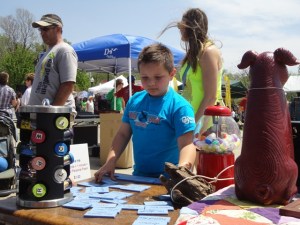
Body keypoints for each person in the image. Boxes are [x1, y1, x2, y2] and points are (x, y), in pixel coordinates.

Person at [94, 43, 196, 182]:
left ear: (172, 74)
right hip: (139, 176)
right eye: (145, 78)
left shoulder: (180, 107)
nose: (151, 83)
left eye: (158, 77)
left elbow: (187, 145)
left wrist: (183, 169)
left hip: (170, 180)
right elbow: (123, 134)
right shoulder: (135, 100)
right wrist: (111, 160)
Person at [162, 8, 223, 123]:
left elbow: (211, 97)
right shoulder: (193, 53)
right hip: (190, 116)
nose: (179, 29)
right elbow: (188, 90)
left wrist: (195, 126)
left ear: (192, 27)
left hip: (206, 122)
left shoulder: (208, 52)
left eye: (182, 25)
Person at [29, 14, 78, 116]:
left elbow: (68, 84)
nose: (42, 33)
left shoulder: (65, 50)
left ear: (58, 29)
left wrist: (52, 113)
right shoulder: (48, 52)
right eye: (40, 30)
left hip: (55, 118)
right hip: (42, 115)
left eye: (45, 29)